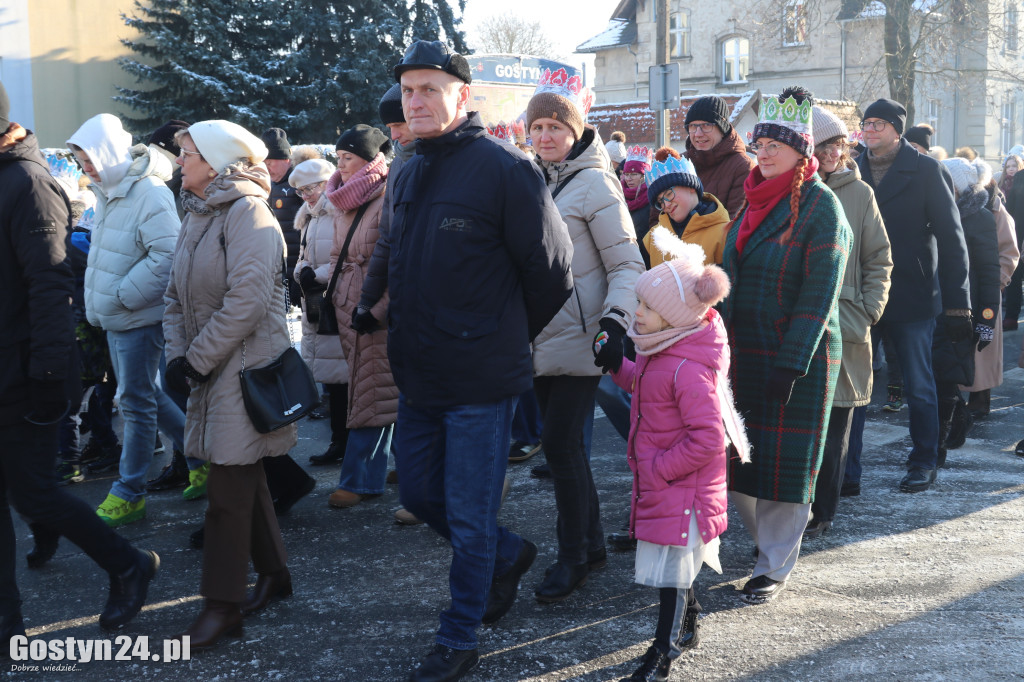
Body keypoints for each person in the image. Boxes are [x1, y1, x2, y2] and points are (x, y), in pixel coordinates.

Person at [387, 40, 573, 681]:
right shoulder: (407, 167)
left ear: (462, 97)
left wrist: (501, 337)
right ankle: (510, 553)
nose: (417, 100)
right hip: (417, 376)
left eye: (431, 88)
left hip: (480, 381)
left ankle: (459, 636)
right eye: (409, 89)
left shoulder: (504, 168)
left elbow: (553, 273)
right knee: (418, 493)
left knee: (469, 515)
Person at [0, 81, 159, 646]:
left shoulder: (27, 182)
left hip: (26, 371)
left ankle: (128, 564)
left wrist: (46, 372)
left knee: (37, 493)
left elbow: (48, 282)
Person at [165, 120, 296, 648]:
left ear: (218, 162)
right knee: (242, 475)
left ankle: (222, 606)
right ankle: (276, 575)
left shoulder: (248, 212)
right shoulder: (197, 214)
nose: (179, 162)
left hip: (243, 368)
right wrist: (179, 356)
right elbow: (174, 295)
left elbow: (246, 301)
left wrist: (195, 360)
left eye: (188, 154)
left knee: (226, 491)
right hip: (210, 365)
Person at [721, 87, 852, 604]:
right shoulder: (750, 200)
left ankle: (774, 563)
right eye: (760, 140)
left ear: (804, 150)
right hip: (742, 354)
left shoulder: (824, 208)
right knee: (744, 464)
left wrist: (792, 364)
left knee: (785, 468)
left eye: (777, 141)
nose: (764, 149)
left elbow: (819, 298)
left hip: (796, 360)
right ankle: (765, 545)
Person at [528, 67, 645, 603]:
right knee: (564, 447)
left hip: (583, 335)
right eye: (539, 127)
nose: (547, 135)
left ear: (576, 131)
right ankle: (591, 544)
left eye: (556, 125)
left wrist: (615, 321)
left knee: (559, 446)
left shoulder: (595, 182)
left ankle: (573, 554)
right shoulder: (530, 178)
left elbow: (626, 263)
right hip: (536, 337)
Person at [609, 231, 747, 682]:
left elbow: (709, 440)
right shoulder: (662, 351)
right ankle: (687, 623)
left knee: (670, 574)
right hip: (668, 484)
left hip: (680, 487)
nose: (638, 314)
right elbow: (647, 390)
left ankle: (661, 653)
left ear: (674, 317)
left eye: (647, 308)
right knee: (675, 567)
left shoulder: (689, 369)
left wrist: (656, 469)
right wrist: (616, 365)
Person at [66, 113, 191, 525]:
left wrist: (121, 296)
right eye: (80, 159)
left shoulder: (149, 192)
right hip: (118, 317)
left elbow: (167, 254)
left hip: (137, 315)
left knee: (135, 403)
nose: (85, 167)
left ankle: (130, 490)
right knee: (145, 395)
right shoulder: (109, 190)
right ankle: (203, 456)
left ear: (107, 152)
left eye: (89, 158)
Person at [855, 98, 972, 493]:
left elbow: (953, 240)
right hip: (862, 293)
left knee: (920, 385)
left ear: (896, 129)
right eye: (865, 123)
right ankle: (845, 471)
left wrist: (959, 303)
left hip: (913, 293)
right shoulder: (853, 168)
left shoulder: (925, 170)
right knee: (853, 385)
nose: (869, 130)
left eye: (877, 124)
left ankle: (924, 460)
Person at [806, 106, 891, 537]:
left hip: (847, 322)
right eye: (821, 146)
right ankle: (797, 509)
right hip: (802, 325)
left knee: (837, 423)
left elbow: (879, 257)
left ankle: (824, 511)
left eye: (836, 145)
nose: (829, 154)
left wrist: (868, 310)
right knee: (802, 422)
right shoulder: (796, 189)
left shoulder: (860, 194)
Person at [326, 124, 398, 509]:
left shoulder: (386, 193)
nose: (340, 165)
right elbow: (339, 257)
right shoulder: (345, 199)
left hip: (373, 312)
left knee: (370, 393)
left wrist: (378, 308)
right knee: (385, 389)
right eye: (338, 157)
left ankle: (360, 480)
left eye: (348, 157)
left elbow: (395, 262)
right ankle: (411, 464)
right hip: (349, 308)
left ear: (369, 159)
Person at [933, 158, 1001, 467]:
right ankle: (955, 418)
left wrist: (987, 321)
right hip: (931, 303)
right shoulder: (934, 211)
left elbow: (988, 272)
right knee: (935, 371)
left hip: (965, 308)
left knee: (947, 372)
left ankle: (947, 431)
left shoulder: (981, 218)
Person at [292, 158, 350, 465]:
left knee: (343, 380)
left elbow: (346, 256)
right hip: (317, 303)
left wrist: (319, 274)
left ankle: (344, 443)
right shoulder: (309, 216)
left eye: (311, 188)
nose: (306, 195)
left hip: (336, 303)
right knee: (333, 379)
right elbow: (303, 254)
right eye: (301, 191)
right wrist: (302, 271)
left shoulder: (336, 209)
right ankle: (340, 442)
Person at [643, 154, 730, 266]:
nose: (666, 205)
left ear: (691, 187)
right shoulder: (652, 238)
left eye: (669, 194)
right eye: (660, 202)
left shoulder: (724, 234)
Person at [683, 95, 756, 219]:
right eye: (693, 126)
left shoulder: (743, 167)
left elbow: (734, 224)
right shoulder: (679, 164)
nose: (698, 134)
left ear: (722, 128)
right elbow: (657, 219)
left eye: (706, 125)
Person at [261, 127, 303, 306]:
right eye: (264, 162)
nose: (267, 167)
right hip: (274, 270)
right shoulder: (263, 185)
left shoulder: (302, 183)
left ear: (286, 159)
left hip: (297, 271)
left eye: (271, 162)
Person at [1003, 153, 1024, 331]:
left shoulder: (1019, 177)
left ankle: (1011, 317)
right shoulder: (1019, 177)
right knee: (1015, 278)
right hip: (1018, 235)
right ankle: (1010, 317)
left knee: (1015, 278)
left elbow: (1010, 210)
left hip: (1018, 235)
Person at [621, 145, 654, 243]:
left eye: (634, 174)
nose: (629, 179)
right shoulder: (618, 195)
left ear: (644, 176)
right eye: (626, 174)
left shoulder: (653, 199)